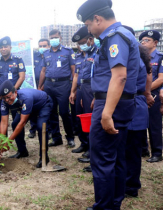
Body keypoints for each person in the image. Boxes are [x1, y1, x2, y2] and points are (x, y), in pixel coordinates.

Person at [77, 0, 140, 209]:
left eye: (88, 25)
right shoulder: (120, 35)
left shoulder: (115, 37)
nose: (89, 30)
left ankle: (104, 206)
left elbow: (120, 77)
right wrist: (100, 96)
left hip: (113, 107)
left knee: (102, 158)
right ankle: (113, 203)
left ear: (97, 19)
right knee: (116, 156)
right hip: (115, 102)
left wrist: (106, 113)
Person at [123, 25, 152, 198]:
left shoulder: (132, 59)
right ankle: (130, 183)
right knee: (131, 150)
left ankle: (131, 186)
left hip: (132, 106)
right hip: (137, 104)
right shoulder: (139, 56)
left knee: (131, 150)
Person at [0, 80, 53, 167]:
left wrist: (9, 142)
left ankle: (44, 157)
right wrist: (1, 143)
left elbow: (23, 122)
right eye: (4, 98)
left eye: (8, 97)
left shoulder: (26, 97)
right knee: (15, 124)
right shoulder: (4, 102)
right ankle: (22, 151)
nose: (7, 100)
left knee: (41, 127)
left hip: (43, 105)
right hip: (27, 108)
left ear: (15, 92)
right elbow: (3, 123)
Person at [37, 29, 76, 148]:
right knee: (51, 112)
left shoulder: (68, 51)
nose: (54, 39)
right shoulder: (46, 53)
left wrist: (74, 89)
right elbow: (43, 70)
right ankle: (56, 137)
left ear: (60, 38)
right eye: (52, 38)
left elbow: (74, 70)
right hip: (49, 85)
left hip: (63, 85)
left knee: (64, 112)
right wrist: (40, 86)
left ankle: (70, 137)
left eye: (56, 37)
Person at [0, 36, 26, 154]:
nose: (3, 49)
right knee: (2, 119)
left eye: (5, 46)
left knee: (17, 120)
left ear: (10, 47)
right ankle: (2, 144)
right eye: (1, 47)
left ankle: (21, 148)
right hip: (1, 97)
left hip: (15, 96)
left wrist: (13, 91)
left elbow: (21, 77)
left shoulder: (18, 60)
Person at [70, 26, 97, 165]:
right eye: (78, 44)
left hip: (91, 87)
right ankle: (84, 143)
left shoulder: (96, 53)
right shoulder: (80, 57)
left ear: (90, 40)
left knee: (89, 116)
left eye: (82, 42)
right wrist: (73, 91)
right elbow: (76, 75)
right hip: (81, 87)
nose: (80, 46)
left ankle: (92, 149)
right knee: (80, 116)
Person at [139, 30, 163, 162]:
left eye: (146, 40)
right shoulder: (140, 57)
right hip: (142, 95)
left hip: (154, 95)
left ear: (155, 42)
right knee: (140, 123)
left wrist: (146, 91)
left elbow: (161, 79)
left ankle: (157, 152)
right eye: (142, 40)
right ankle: (143, 149)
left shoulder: (160, 57)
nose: (143, 42)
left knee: (154, 125)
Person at [28, 39, 50, 139]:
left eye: (44, 46)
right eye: (40, 46)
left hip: (46, 85)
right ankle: (33, 129)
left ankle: (48, 130)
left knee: (45, 107)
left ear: (49, 46)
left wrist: (43, 85)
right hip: (34, 85)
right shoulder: (34, 56)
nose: (42, 48)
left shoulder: (50, 56)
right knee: (32, 107)